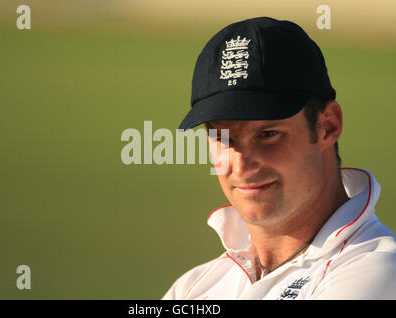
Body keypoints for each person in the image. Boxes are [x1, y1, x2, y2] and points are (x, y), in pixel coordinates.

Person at [162, 17, 396, 300]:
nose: (242, 164)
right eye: (223, 137)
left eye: (268, 134)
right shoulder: (194, 287)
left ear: (328, 126)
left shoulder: (377, 273)